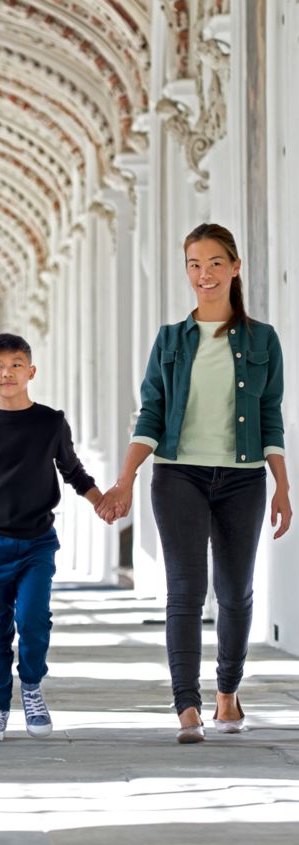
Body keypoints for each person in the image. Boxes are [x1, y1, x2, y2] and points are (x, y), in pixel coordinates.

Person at [97, 223, 292, 743]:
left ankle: (228, 692)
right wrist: (123, 480)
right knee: (185, 590)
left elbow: (271, 416)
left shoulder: (261, 340)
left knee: (235, 591)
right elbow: (151, 414)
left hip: (243, 479)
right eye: (194, 264)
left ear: (234, 268)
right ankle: (187, 705)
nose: (204, 274)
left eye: (213, 263)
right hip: (178, 474)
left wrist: (282, 485)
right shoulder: (170, 340)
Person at [0, 333, 103, 741]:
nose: (8, 373)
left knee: (33, 620)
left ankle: (33, 688)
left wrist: (100, 500)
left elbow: (72, 471)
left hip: (37, 542)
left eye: (16, 365)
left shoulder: (51, 422)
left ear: (31, 371)